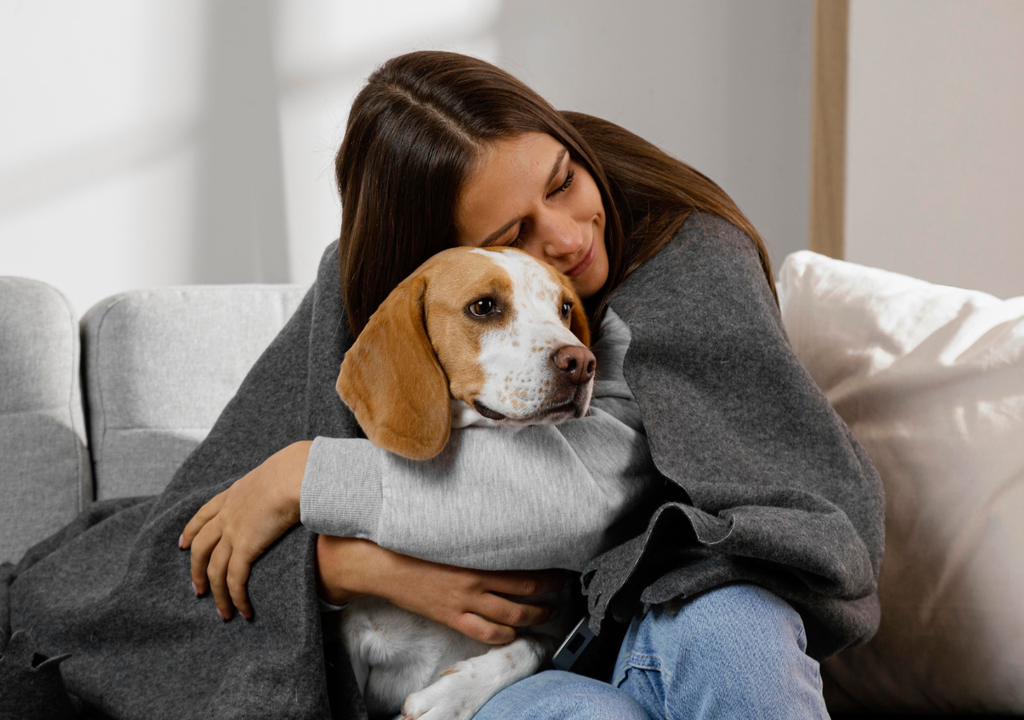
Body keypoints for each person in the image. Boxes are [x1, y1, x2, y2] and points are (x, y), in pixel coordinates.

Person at [176, 50, 885, 719]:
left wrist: (305, 475)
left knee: (738, 631)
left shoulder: (689, 259)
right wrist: (349, 566)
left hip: (669, 600)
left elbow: (585, 497)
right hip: (526, 671)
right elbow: (185, 542)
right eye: (513, 236)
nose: (570, 238)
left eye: (563, 181)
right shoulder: (381, 298)